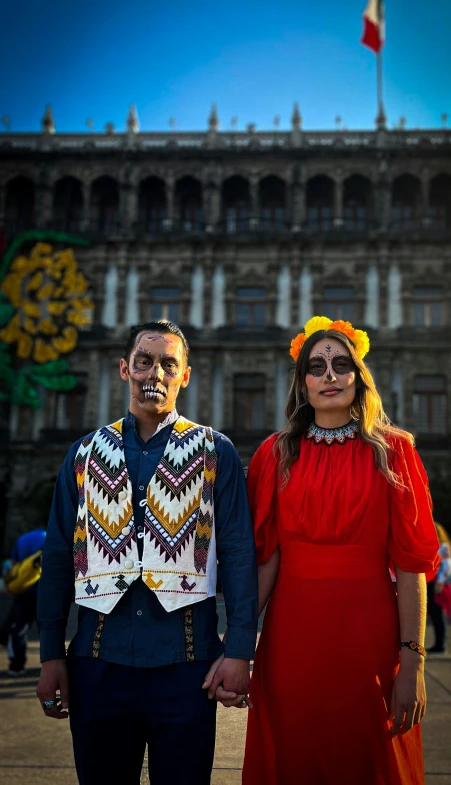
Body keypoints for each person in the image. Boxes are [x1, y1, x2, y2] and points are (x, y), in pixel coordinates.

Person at [207, 316, 440, 784]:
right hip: (292, 640)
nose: (329, 375)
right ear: (302, 383)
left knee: (370, 759)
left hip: (371, 640)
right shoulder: (275, 454)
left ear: (358, 377)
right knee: (294, 755)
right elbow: (267, 559)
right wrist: (239, 648)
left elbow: (412, 565)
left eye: (340, 364)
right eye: (317, 366)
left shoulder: (395, 452)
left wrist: (412, 663)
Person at [36, 320, 258, 785]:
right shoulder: (82, 455)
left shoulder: (217, 453)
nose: (154, 373)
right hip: (97, 665)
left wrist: (239, 649)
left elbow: (238, 553)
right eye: (144, 361)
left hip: (187, 668)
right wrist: (51, 654)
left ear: (185, 376)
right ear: (124, 369)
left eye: (168, 364)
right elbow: (57, 557)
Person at [4, 527, 46, 676]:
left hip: (24, 592)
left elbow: (12, 564)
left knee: (19, 629)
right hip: (46, 591)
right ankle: (50, 665)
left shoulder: (22, 539)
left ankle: (16, 665)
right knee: (48, 629)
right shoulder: (50, 537)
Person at [427, 522, 451, 654]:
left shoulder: (444, 547)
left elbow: (447, 567)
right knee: (434, 615)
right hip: (433, 582)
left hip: (439, 584)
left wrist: (440, 582)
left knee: (438, 614)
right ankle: (438, 643)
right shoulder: (434, 546)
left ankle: (440, 645)